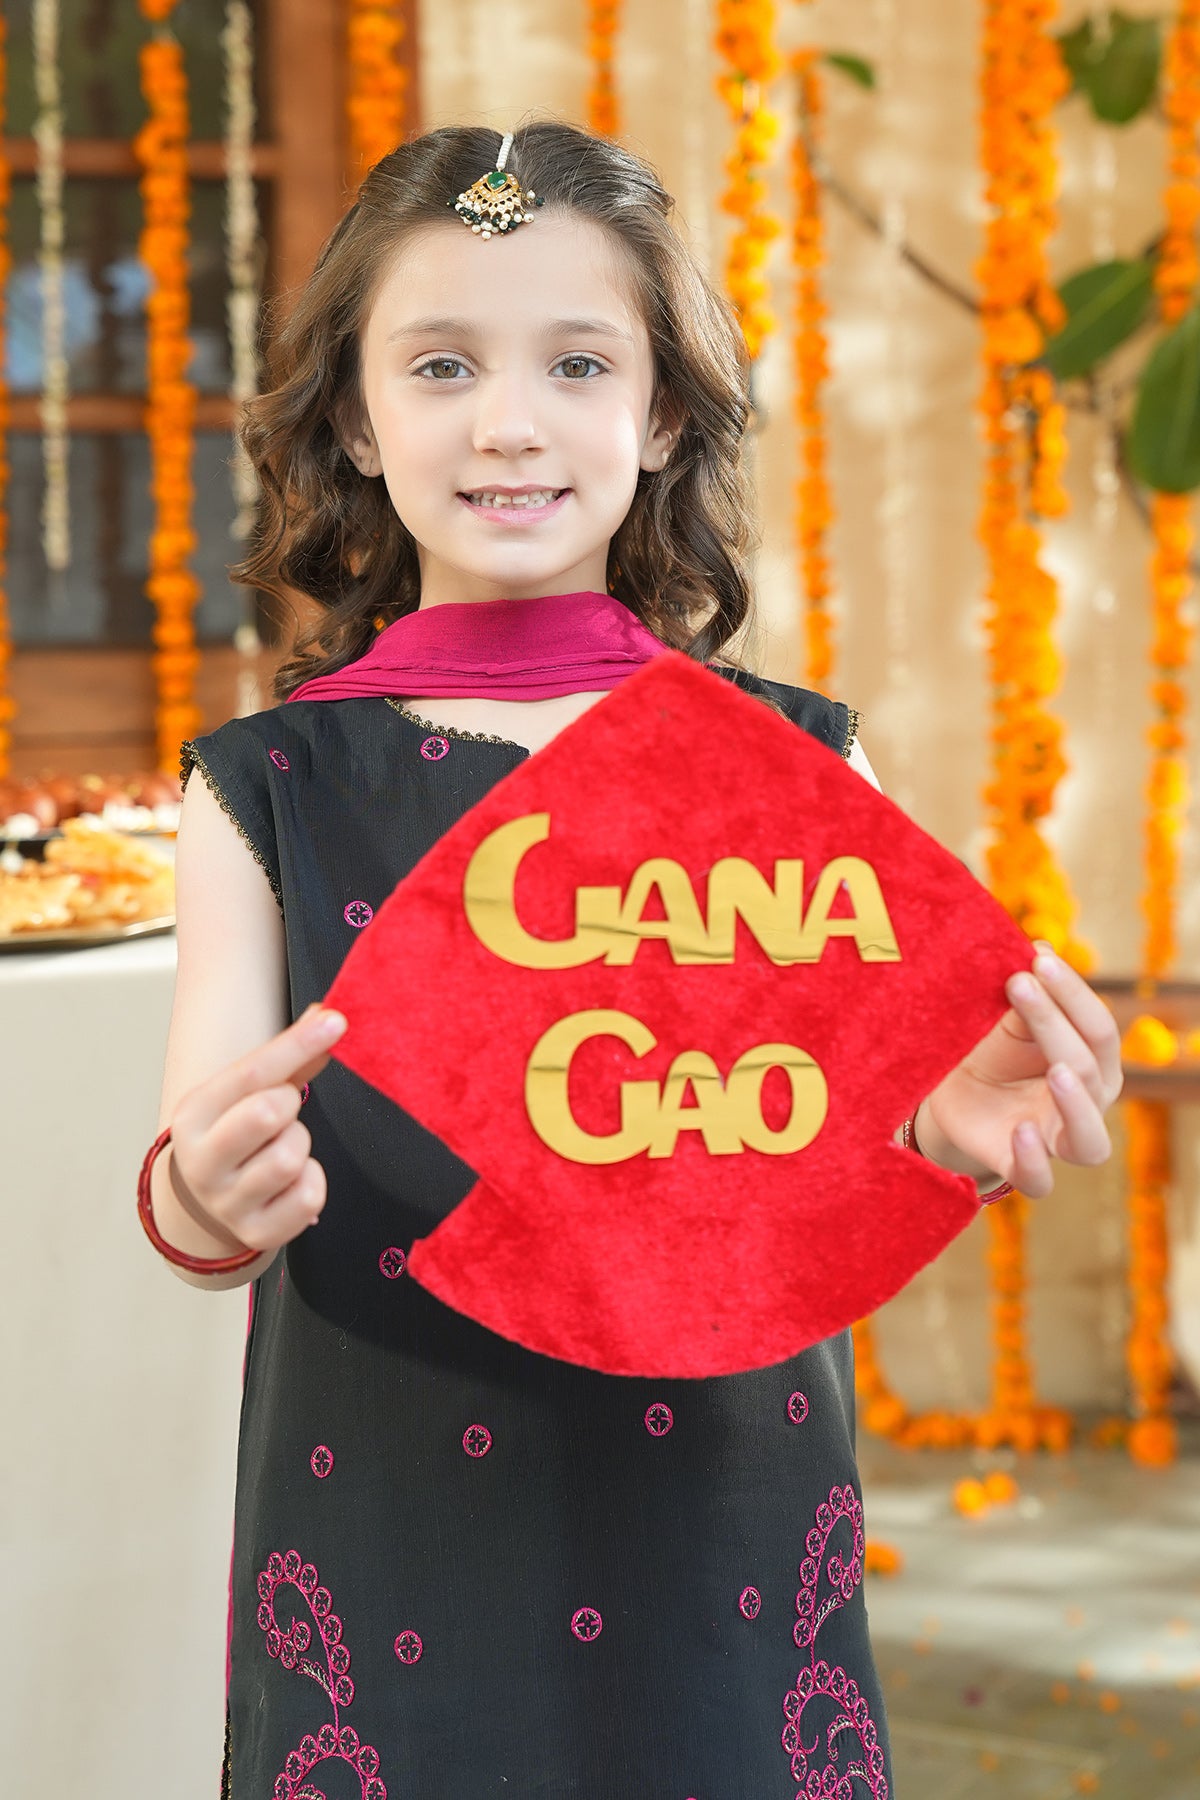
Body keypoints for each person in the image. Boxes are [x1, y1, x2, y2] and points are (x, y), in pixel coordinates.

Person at [144, 121, 1123, 1797]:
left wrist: (938, 1129)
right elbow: (191, 1192)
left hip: (722, 1504)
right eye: (440, 365)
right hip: (388, 1502)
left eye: (577, 363)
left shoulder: (797, 763)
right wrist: (209, 1192)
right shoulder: (267, 786)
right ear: (356, 422)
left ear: (661, 412)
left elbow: (842, 1134)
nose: (508, 422)